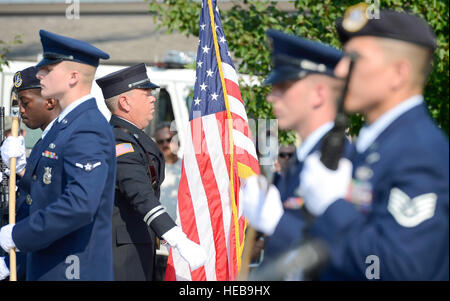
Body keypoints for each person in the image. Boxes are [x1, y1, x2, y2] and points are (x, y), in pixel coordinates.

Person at [299, 3, 449, 280]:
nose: (341, 70)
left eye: (355, 58)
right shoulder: (380, 144)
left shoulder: (420, 152)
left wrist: (333, 206)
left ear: (398, 73)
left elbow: (400, 269)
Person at [0, 29, 116, 281]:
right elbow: (47, 191)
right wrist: (20, 171)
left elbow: (79, 204)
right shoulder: (66, 126)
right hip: (50, 265)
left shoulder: (86, 127)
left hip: (72, 269)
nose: (40, 73)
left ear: (73, 77)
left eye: (48, 69)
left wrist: (19, 235)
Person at [242, 29, 350, 276]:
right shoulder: (304, 159)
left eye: (282, 87)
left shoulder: (338, 161)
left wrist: (278, 223)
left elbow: (343, 252)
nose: (271, 97)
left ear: (318, 93)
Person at [96, 63, 206, 281]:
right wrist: (176, 237)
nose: (153, 98)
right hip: (124, 253)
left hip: (138, 244)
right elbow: (140, 194)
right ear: (125, 102)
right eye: (145, 93)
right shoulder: (120, 141)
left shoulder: (133, 138)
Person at [0, 65, 61, 281]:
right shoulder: (45, 140)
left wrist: (20, 170)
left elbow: (52, 198)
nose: (21, 111)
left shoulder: (60, 138)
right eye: (18, 105)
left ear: (50, 101)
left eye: (25, 103)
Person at [154, 122, 182, 280]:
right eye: (160, 141)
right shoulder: (151, 170)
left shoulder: (187, 168)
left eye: (169, 139)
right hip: (160, 249)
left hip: (182, 247)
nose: (165, 144)